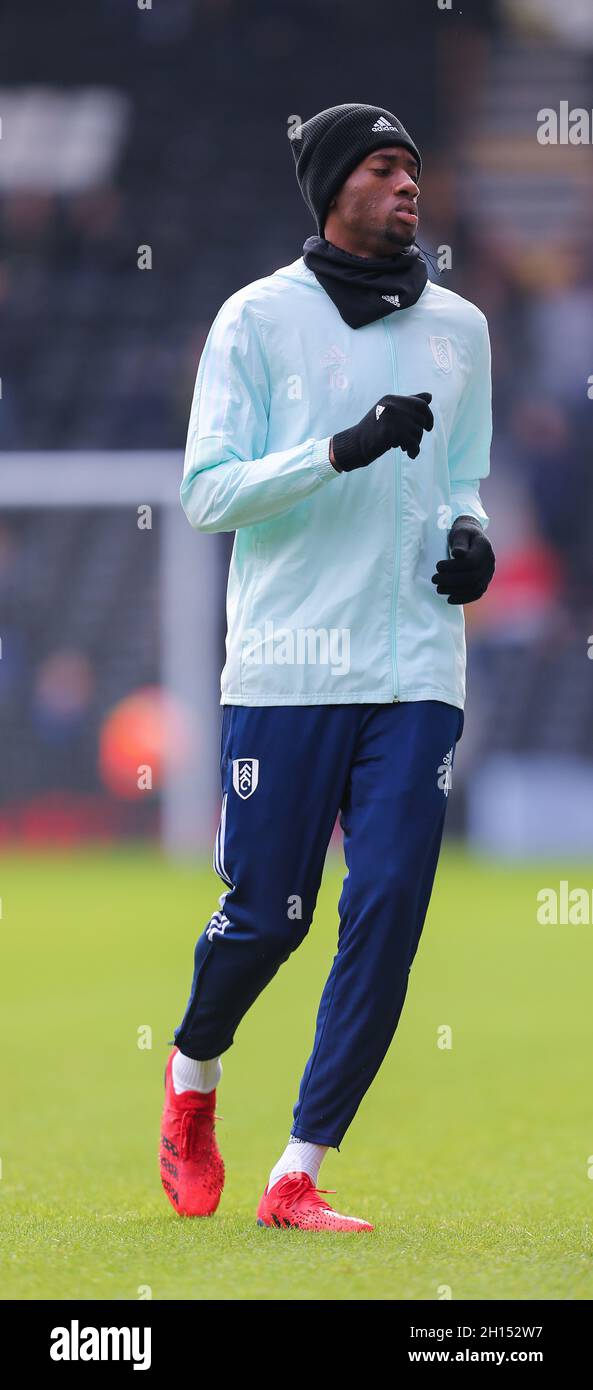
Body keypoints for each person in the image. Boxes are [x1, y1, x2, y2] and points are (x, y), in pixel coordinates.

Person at [159, 102, 495, 1233]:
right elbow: (207, 493)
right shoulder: (253, 320)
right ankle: (194, 1076)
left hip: (414, 666)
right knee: (267, 917)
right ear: (331, 187)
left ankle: (296, 1168)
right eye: (382, 167)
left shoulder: (460, 328)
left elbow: (465, 478)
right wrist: (340, 446)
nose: (407, 184)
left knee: (390, 900)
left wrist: (468, 537)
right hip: (287, 667)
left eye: (412, 166)